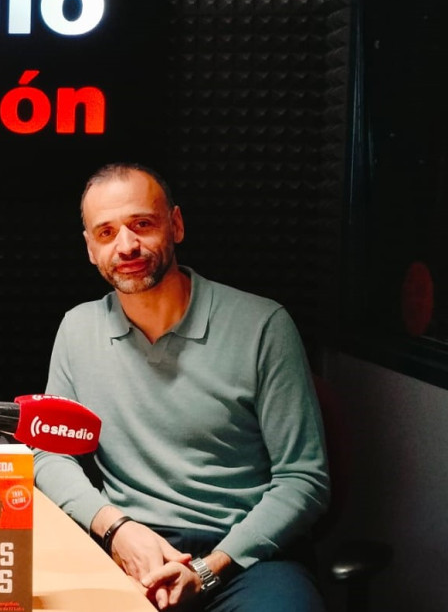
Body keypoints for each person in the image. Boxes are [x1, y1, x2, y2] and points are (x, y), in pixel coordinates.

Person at [34, 163, 330, 611]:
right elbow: (48, 453)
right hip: (129, 549)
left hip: (246, 558)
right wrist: (116, 529)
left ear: (175, 224)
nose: (126, 245)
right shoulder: (77, 329)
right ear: (90, 249)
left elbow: (303, 479)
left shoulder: (263, 325)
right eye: (107, 232)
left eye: (142, 224)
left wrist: (209, 569)